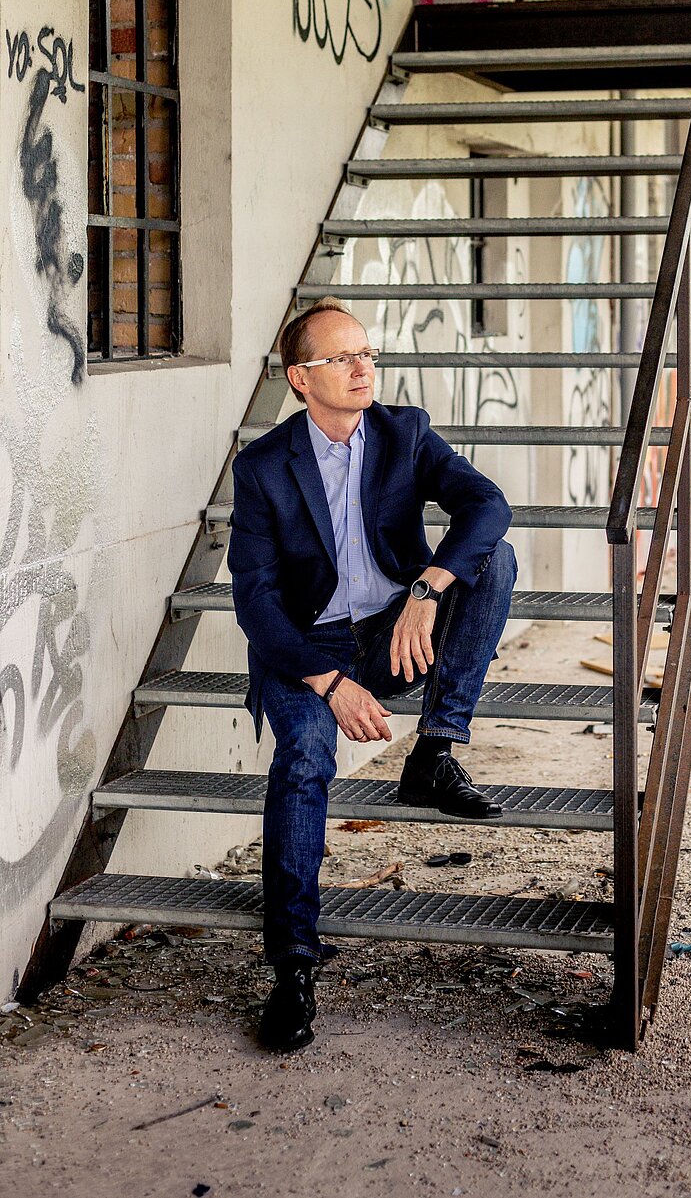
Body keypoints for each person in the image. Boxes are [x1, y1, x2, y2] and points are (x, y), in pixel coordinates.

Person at [229, 297, 516, 1053]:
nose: (363, 368)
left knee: (493, 561)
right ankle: (293, 966)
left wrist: (427, 589)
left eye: (368, 353)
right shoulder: (263, 467)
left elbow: (487, 506)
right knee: (303, 758)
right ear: (301, 378)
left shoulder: (404, 432)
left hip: (395, 631)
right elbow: (255, 602)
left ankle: (435, 749)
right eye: (342, 357)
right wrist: (328, 681)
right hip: (307, 648)